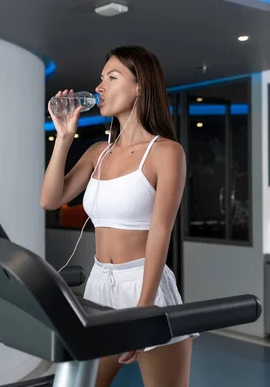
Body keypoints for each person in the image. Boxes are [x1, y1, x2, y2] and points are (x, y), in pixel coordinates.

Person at [40, 45, 197, 387]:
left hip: (145, 287)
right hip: (100, 286)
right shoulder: (99, 152)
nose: (99, 88)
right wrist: (64, 138)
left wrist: (143, 309)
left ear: (141, 86)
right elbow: (50, 199)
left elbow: (160, 232)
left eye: (112, 78)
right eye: (100, 79)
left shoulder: (167, 153)